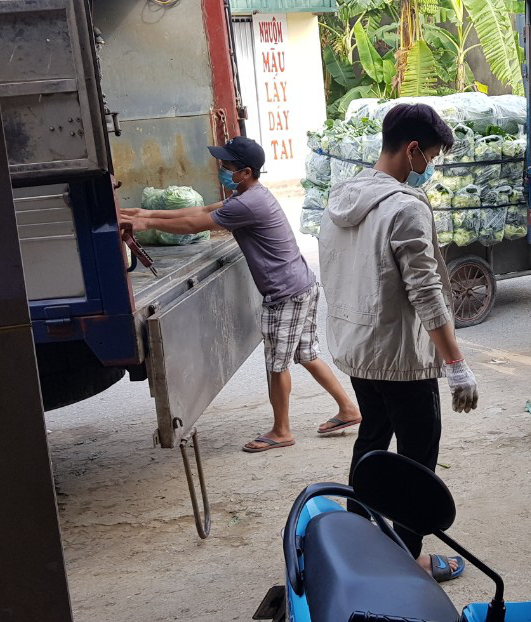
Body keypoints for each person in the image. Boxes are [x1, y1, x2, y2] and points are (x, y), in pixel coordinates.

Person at [119, 137, 362, 453]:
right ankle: (348, 409)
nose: (222, 169)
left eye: (227, 166)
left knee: (277, 364)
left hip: (285, 292)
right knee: (307, 355)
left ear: (245, 172)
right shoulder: (250, 194)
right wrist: (141, 215)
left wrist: (140, 223)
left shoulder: (246, 204)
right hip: (301, 285)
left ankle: (281, 430)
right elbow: (203, 209)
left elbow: (195, 224)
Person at [319, 103, 479, 582]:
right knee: (416, 459)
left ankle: (357, 539)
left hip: (357, 349)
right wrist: (456, 364)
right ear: (411, 150)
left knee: (371, 441)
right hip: (401, 359)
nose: (428, 166)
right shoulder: (404, 208)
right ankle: (407, 561)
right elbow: (427, 292)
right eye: (429, 156)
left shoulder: (341, 197)